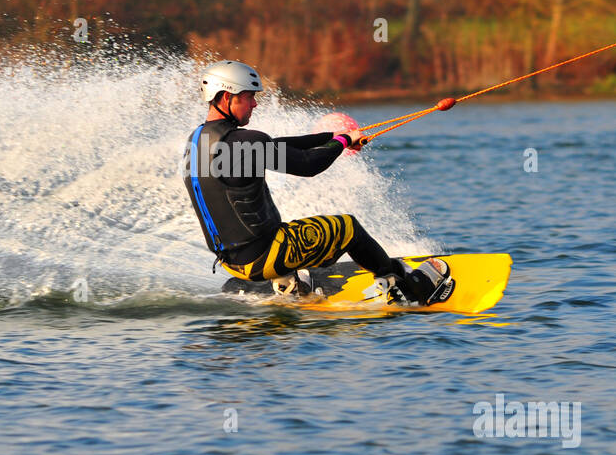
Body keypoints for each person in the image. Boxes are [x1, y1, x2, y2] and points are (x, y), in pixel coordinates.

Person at [182, 60, 453, 305]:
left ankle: (287, 284)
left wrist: (330, 137)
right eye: (249, 97)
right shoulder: (245, 142)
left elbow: (276, 146)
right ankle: (401, 286)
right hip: (265, 257)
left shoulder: (197, 143)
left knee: (277, 229)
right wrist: (343, 142)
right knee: (348, 228)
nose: (254, 104)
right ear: (227, 97)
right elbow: (309, 165)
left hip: (233, 263)